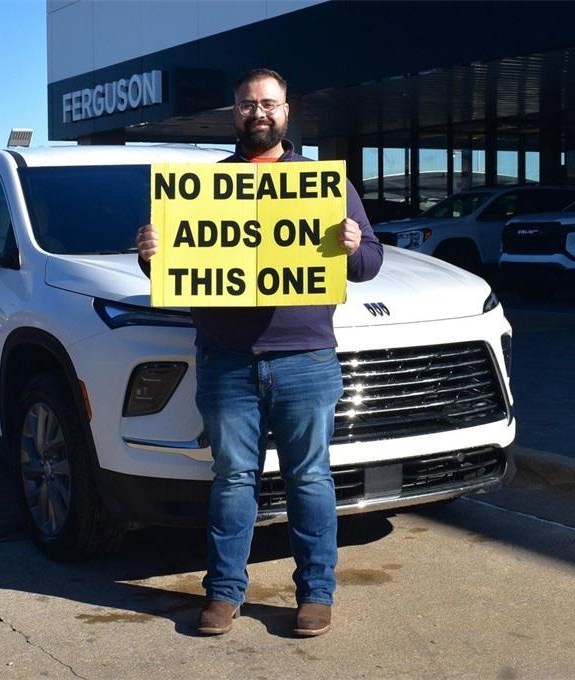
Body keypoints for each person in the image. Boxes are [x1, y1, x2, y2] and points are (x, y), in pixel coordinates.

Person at [136, 68, 383, 637]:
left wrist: (350, 245)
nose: (258, 113)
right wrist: (151, 254)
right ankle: (224, 594)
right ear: (235, 114)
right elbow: (172, 273)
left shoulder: (323, 184)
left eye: (268, 104)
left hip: (306, 358)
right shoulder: (200, 191)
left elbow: (369, 264)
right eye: (248, 105)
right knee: (232, 480)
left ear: (287, 112)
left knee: (311, 480)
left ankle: (316, 594)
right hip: (227, 360)